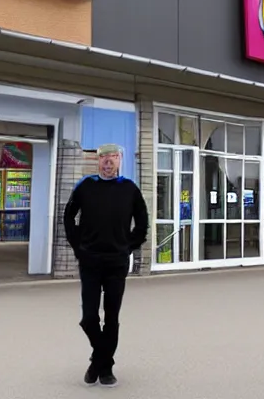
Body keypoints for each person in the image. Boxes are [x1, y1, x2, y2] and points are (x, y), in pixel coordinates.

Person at [64, 143, 149, 387]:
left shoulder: (129, 189)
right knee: (89, 318)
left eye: (113, 156)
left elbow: (142, 224)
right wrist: (78, 246)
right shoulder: (85, 186)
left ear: (120, 159)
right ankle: (102, 360)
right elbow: (69, 216)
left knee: (111, 317)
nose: (108, 161)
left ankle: (102, 366)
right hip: (90, 261)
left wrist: (127, 246)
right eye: (103, 157)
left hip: (116, 263)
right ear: (97, 161)